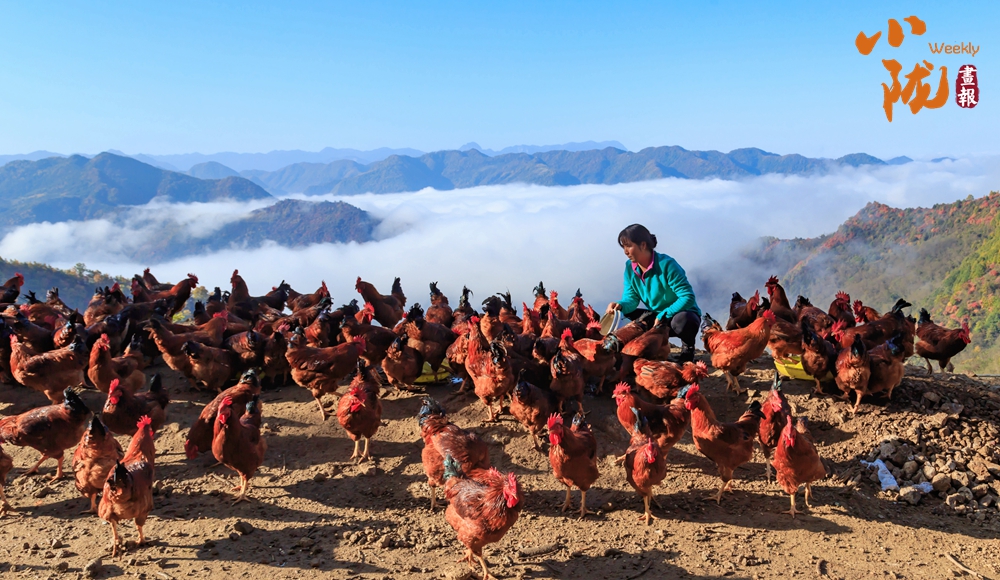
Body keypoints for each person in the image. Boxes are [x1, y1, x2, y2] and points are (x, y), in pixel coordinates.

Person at [606, 224, 701, 363]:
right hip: (656, 317)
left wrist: (664, 314)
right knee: (623, 316)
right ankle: (638, 352)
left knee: (685, 320)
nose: (625, 251)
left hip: (677, 315)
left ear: (643, 245)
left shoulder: (667, 264)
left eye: (629, 246)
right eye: (623, 247)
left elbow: (687, 296)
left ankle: (687, 350)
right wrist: (620, 305)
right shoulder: (630, 268)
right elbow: (631, 299)